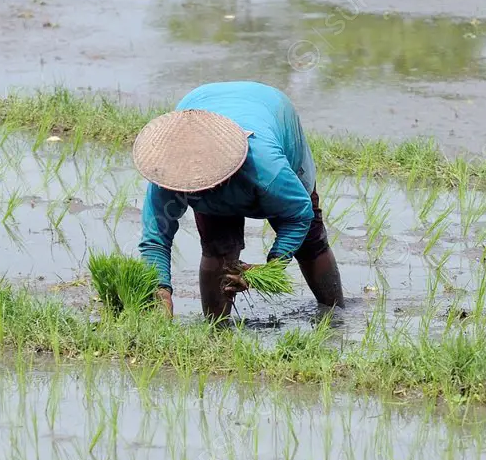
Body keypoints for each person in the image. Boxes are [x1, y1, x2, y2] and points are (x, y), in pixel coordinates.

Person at [134, 81, 344, 319]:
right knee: (217, 248)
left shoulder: (267, 167)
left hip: (272, 108)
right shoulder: (168, 170)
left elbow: (299, 214)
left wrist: (272, 267)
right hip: (200, 105)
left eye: (206, 183)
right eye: (194, 186)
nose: (201, 190)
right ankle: (217, 331)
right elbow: (155, 240)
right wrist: (160, 292)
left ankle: (336, 316)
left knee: (309, 241)